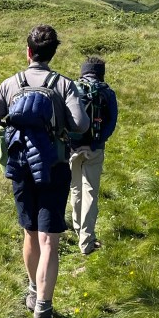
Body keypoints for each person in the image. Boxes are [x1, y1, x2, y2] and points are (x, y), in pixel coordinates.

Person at [0, 25, 89, 318]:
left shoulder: (10, 84)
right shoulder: (64, 85)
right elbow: (79, 124)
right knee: (49, 241)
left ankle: (31, 290)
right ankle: (43, 311)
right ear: (53, 53)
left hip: (21, 167)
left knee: (29, 233)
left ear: (28, 52)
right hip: (53, 168)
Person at [69, 56, 118, 257]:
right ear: (101, 72)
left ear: (83, 71)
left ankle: (77, 228)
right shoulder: (107, 92)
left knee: (75, 189)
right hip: (95, 149)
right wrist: (96, 143)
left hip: (72, 148)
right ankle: (86, 241)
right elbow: (111, 123)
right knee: (90, 192)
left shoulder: (72, 88)